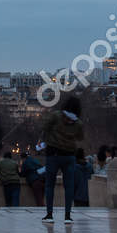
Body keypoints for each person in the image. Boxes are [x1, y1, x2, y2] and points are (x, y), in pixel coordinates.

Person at [39, 95, 85, 224]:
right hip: (69, 155)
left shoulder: (56, 116)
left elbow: (44, 127)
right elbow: (80, 137)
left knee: (50, 185)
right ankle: (67, 216)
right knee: (69, 186)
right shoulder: (78, 123)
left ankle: (49, 214)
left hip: (53, 154)